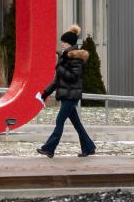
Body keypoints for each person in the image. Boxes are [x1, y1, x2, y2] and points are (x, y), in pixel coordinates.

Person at [36, 25, 96, 158]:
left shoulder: (75, 58)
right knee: (77, 124)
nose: (62, 44)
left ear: (70, 43)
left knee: (59, 121)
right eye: (62, 41)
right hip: (67, 95)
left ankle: (49, 148)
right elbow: (58, 81)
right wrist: (45, 93)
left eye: (64, 42)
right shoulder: (65, 57)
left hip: (71, 95)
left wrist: (59, 67)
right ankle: (89, 147)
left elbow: (73, 76)